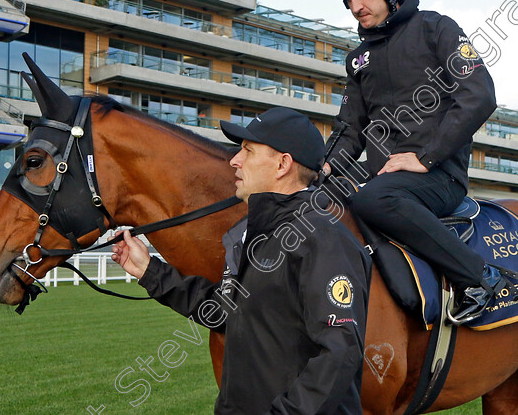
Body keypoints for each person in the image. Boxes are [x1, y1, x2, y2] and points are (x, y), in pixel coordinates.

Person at [111, 107, 371, 414]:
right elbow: (224, 313)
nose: (234, 160)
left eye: (247, 150)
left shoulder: (325, 240)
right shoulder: (249, 235)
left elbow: (339, 353)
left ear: (282, 164)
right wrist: (149, 271)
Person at [322, 0, 512, 324]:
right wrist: (321, 168)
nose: (355, 6)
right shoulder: (357, 59)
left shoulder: (436, 29)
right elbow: (350, 129)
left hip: (438, 176)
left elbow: (479, 95)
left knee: (372, 199)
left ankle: (478, 278)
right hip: (386, 181)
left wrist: (426, 157)